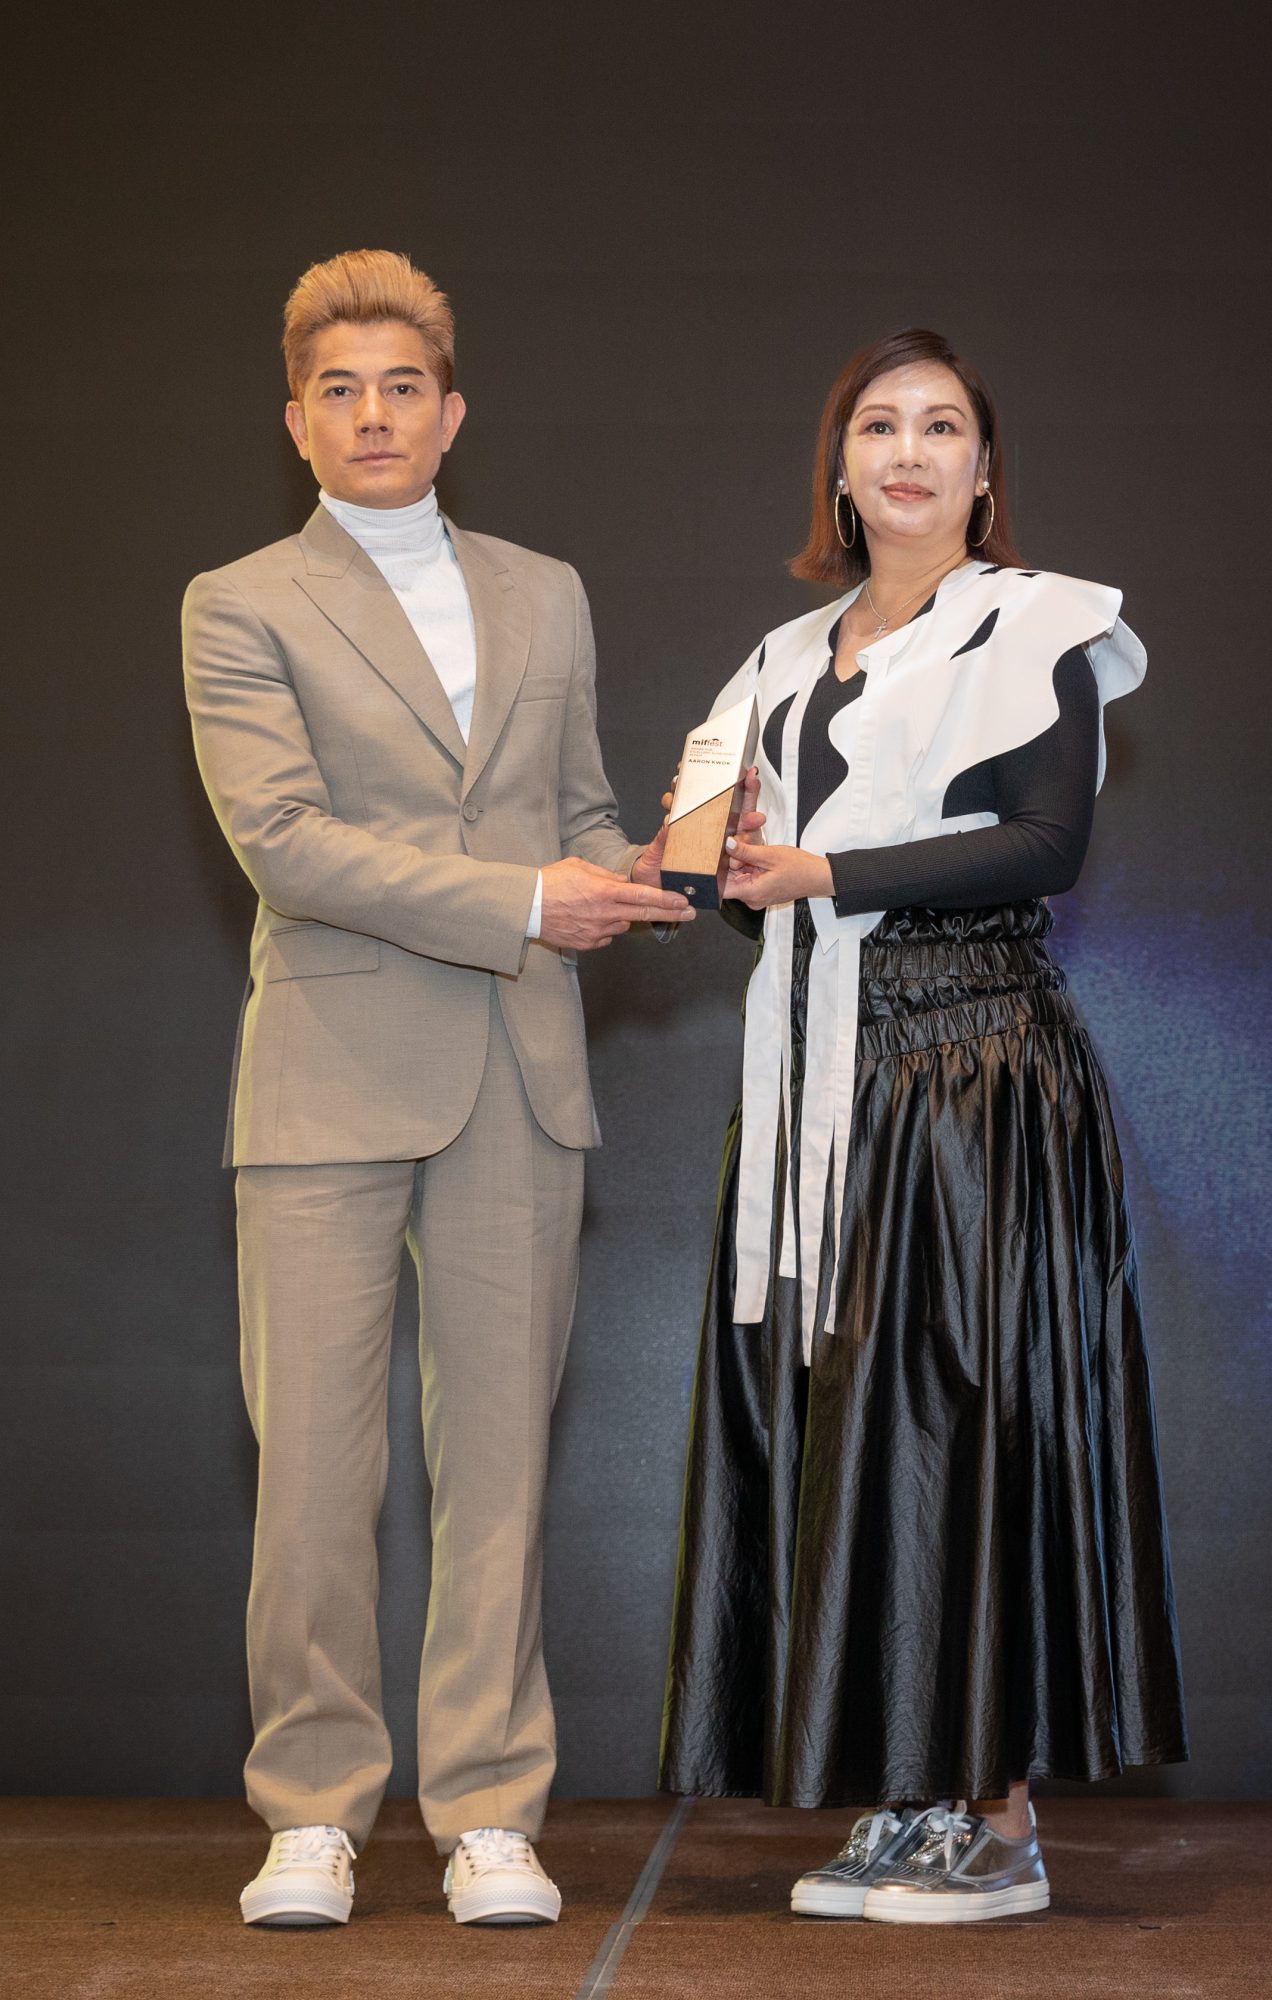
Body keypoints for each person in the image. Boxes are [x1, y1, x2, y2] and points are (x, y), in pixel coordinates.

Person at [183, 249, 693, 1929]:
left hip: (521, 1072)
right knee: (315, 1477)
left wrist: (661, 865)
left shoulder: (547, 591)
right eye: (339, 391)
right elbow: (285, 844)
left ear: (453, 412)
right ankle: (312, 1813)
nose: (374, 414)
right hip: (326, 1077)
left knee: (501, 1472)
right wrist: (531, 901)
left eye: (403, 386)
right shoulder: (239, 601)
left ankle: (488, 1812)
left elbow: (579, 809)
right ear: (296, 423)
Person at [658, 327, 1187, 1923]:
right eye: (879, 424)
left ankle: (1002, 1816)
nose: (908, 450)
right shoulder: (776, 661)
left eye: (942, 426)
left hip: (975, 1074)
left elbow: (1045, 845)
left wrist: (824, 872)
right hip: (822, 1077)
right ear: (839, 465)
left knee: (973, 1420)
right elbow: (744, 888)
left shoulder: (1039, 623)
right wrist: (713, 870)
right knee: (855, 1434)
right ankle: (908, 1793)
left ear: (983, 469)